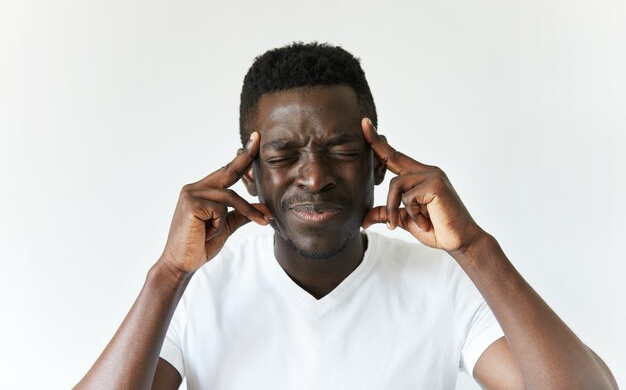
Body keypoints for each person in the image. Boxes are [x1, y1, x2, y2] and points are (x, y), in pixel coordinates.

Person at [74, 43, 619, 390]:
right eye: (284, 155)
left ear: (379, 165)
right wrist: (167, 275)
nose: (314, 177)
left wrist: (474, 248)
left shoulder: (444, 285)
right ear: (249, 177)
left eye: (341, 150)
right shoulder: (196, 293)